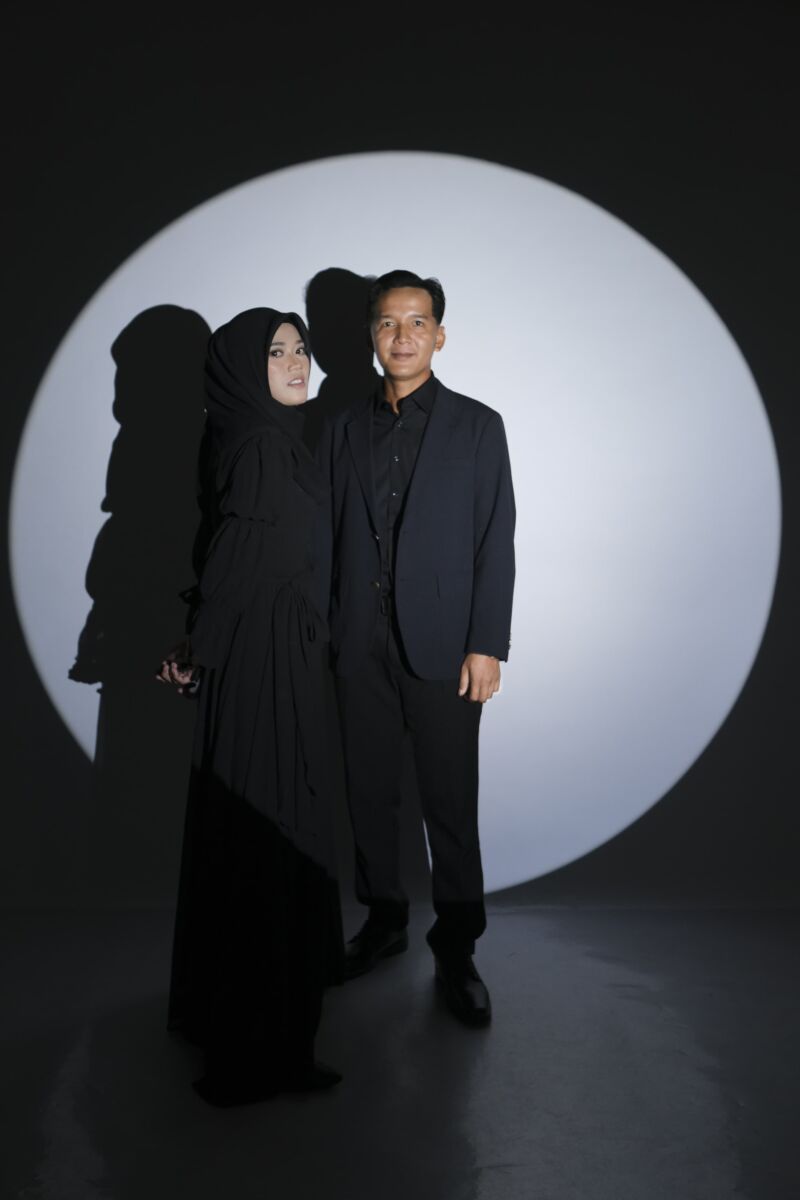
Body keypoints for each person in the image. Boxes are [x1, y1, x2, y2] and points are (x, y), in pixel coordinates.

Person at [320, 270, 515, 1026]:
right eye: (387, 323)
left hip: (445, 647)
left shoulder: (478, 426)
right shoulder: (339, 426)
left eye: (417, 322)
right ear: (371, 335)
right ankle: (384, 922)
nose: (401, 336)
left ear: (439, 334)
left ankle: (457, 949)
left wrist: (486, 644)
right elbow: (323, 537)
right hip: (356, 644)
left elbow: (495, 540)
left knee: (450, 804)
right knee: (368, 794)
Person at [159, 307, 343, 1105]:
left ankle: (237, 1023)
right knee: (271, 831)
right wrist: (200, 647)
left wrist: (202, 642)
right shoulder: (265, 445)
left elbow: (229, 548)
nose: (298, 362)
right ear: (243, 366)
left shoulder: (258, 436)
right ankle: (259, 1052)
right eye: (277, 351)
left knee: (256, 827)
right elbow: (237, 553)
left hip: (273, 651)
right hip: (266, 659)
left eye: (301, 348)